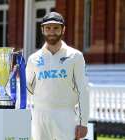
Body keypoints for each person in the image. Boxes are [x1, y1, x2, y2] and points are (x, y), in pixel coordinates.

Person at [26, 12, 89, 140]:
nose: (52, 32)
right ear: (42, 30)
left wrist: (83, 123)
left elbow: (83, 90)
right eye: (48, 28)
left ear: (63, 29)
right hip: (40, 117)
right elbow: (28, 89)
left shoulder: (75, 56)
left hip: (65, 115)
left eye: (56, 28)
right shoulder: (34, 58)